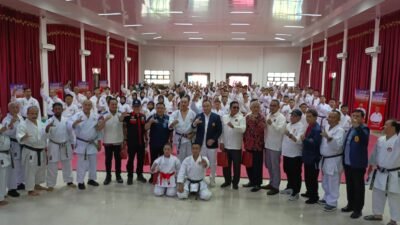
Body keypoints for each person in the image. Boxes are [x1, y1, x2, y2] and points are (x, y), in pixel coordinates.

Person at [364, 119, 400, 225]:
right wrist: (370, 167)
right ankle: (377, 214)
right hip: (379, 171)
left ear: (393, 128)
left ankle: (394, 219)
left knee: (394, 196)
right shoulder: (381, 139)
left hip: (393, 173)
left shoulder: (397, 140)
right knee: (377, 193)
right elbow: (374, 154)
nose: (383, 127)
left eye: (386, 125)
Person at [69, 100, 104, 190]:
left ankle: (91, 179)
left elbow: (99, 130)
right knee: (82, 164)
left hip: (93, 143)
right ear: (82, 106)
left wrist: (100, 142)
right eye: (86, 105)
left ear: (91, 106)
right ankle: (80, 181)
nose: (87, 107)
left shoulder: (95, 116)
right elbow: (69, 125)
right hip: (82, 143)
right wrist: (75, 123)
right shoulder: (77, 116)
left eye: (89, 105)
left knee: (93, 163)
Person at [342, 109, 370, 219]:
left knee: (358, 187)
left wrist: (357, 127)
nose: (355, 118)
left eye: (358, 116)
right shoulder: (351, 128)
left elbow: (364, 140)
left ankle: (358, 209)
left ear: (363, 118)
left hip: (357, 164)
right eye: (353, 116)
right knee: (350, 185)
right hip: (348, 162)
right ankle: (350, 204)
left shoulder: (363, 128)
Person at [16, 106, 48, 196]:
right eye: (32, 113)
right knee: (30, 170)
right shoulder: (22, 124)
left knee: (40, 169)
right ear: (27, 114)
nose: (34, 115)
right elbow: (19, 136)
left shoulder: (40, 122)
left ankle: (37, 184)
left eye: (36, 113)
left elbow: (45, 135)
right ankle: (30, 189)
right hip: (30, 151)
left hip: (41, 150)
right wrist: (23, 136)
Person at [192, 100, 222, 187]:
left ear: (211, 106)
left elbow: (219, 130)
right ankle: (202, 178)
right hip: (201, 144)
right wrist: (195, 123)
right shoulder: (199, 116)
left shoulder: (216, 117)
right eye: (204, 106)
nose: (205, 108)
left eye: (207, 106)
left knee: (212, 162)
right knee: (201, 162)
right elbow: (192, 127)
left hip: (212, 144)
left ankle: (212, 179)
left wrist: (213, 139)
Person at [45, 103, 76, 191]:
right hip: (54, 145)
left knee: (67, 163)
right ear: (53, 110)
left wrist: (72, 143)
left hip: (65, 144)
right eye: (56, 109)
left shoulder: (67, 120)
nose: (58, 110)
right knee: (52, 165)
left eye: (59, 109)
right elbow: (45, 134)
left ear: (62, 110)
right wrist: (47, 128)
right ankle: (50, 184)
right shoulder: (49, 121)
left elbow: (70, 132)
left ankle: (69, 181)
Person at [319, 110, 345, 212]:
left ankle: (332, 202)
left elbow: (337, 146)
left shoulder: (340, 130)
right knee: (325, 181)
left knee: (333, 181)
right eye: (329, 116)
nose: (329, 118)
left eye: (332, 117)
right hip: (325, 158)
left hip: (334, 159)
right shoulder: (326, 127)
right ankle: (326, 198)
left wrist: (329, 138)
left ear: (338, 119)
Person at [220, 101, 246, 190]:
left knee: (236, 166)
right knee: (226, 165)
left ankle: (235, 183)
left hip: (236, 146)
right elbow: (222, 131)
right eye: (234, 107)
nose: (235, 109)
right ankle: (227, 181)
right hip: (226, 145)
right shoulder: (224, 117)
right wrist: (221, 142)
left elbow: (243, 129)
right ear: (230, 108)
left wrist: (234, 126)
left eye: (237, 108)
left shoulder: (241, 118)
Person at [281, 109, 306, 201]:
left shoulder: (301, 127)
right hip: (287, 152)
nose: (291, 117)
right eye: (291, 115)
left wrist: (290, 135)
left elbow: (299, 141)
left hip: (295, 154)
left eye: (294, 116)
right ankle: (289, 187)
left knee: (295, 173)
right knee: (287, 171)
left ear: (299, 117)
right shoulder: (288, 124)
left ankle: (296, 192)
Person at [262, 99, 286, 195]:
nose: (272, 107)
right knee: (269, 165)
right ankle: (271, 182)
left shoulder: (281, 117)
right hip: (267, 144)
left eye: (274, 105)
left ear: (278, 107)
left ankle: (276, 186)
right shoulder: (269, 115)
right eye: (271, 105)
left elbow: (281, 130)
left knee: (275, 166)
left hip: (276, 146)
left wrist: (272, 123)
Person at [145, 102, 172, 183]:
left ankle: (163, 176)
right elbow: (146, 128)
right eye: (158, 108)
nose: (160, 109)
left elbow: (171, 131)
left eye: (161, 108)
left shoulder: (168, 118)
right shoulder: (152, 117)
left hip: (164, 145)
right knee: (154, 161)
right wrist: (150, 122)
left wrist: (171, 141)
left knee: (164, 161)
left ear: (164, 109)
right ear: (156, 109)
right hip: (154, 143)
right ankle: (153, 176)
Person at [122, 99, 148, 184]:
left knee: (140, 160)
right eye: (135, 106)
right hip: (131, 142)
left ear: (140, 107)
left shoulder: (143, 116)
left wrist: (146, 139)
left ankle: (139, 175)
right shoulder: (128, 116)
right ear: (132, 107)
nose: (137, 108)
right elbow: (124, 128)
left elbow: (145, 129)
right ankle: (130, 176)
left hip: (141, 142)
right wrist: (125, 139)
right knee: (131, 160)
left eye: (138, 106)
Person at [242, 101, 266, 192]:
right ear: (251, 108)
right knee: (249, 164)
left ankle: (257, 183)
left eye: (257, 107)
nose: (256, 108)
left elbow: (262, 128)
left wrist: (256, 120)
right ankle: (251, 181)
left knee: (257, 165)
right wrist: (244, 141)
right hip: (248, 144)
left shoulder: (262, 117)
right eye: (254, 107)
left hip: (258, 145)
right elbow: (245, 130)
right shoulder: (247, 117)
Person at [2, 102, 24, 196]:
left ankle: (19, 183)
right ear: (9, 109)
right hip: (12, 144)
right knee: (13, 167)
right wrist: (11, 123)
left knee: (20, 165)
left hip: (21, 144)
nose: (15, 109)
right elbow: (5, 133)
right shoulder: (6, 119)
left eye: (17, 107)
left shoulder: (20, 117)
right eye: (13, 107)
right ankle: (12, 188)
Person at [301, 109, 322, 204]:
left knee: (312, 178)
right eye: (307, 116)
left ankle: (314, 196)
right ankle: (309, 192)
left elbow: (315, 143)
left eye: (310, 116)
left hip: (313, 157)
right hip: (307, 155)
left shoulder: (317, 129)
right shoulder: (310, 126)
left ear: (315, 117)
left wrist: (304, 140)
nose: (307, 118)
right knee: (307, 176)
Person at [102, 98, 125, 185]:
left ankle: (118, 175)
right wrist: (104, 120)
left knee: (118, 159)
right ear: (108, 105)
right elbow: (99, 127)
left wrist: (124, 140)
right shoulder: (104, 115)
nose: (114, 106)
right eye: (112, 104)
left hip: (118, 141)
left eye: (115, 104)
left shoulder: (120, 115)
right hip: (108, 141)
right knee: (108, 160)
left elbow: (123, 125)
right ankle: (108, 176)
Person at [169, 96, 196, 162]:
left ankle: (189, 172)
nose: (183, 104)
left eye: (185, 102)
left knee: (189, 158)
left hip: (189, 139)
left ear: (188, 103)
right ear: (180, 103)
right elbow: (170, 127)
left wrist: (192, 134)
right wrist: (173, 123)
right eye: (182, 102)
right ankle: (180, 172)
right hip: (179, 138)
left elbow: (196, 128)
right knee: (180, 158)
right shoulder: (175, 113)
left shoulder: (192, 113)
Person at [0, 109, 11, 206]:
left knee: (4, 176)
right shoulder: (2, 127)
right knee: (1, 177)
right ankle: (0, 198)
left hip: (5, 154)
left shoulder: (1, 125)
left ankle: (3, 193)